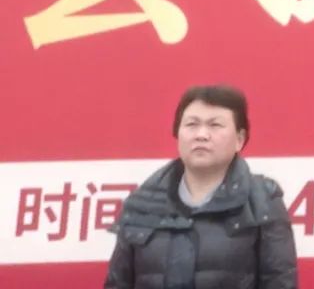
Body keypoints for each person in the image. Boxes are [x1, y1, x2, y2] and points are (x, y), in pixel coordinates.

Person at [104, 85, 298, 289]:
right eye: (192, 124)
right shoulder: (142, 203)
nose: (201, 135)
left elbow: (280, 282)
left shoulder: (261, 201)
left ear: (239, 139)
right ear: (178, 134)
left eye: (215, 125)